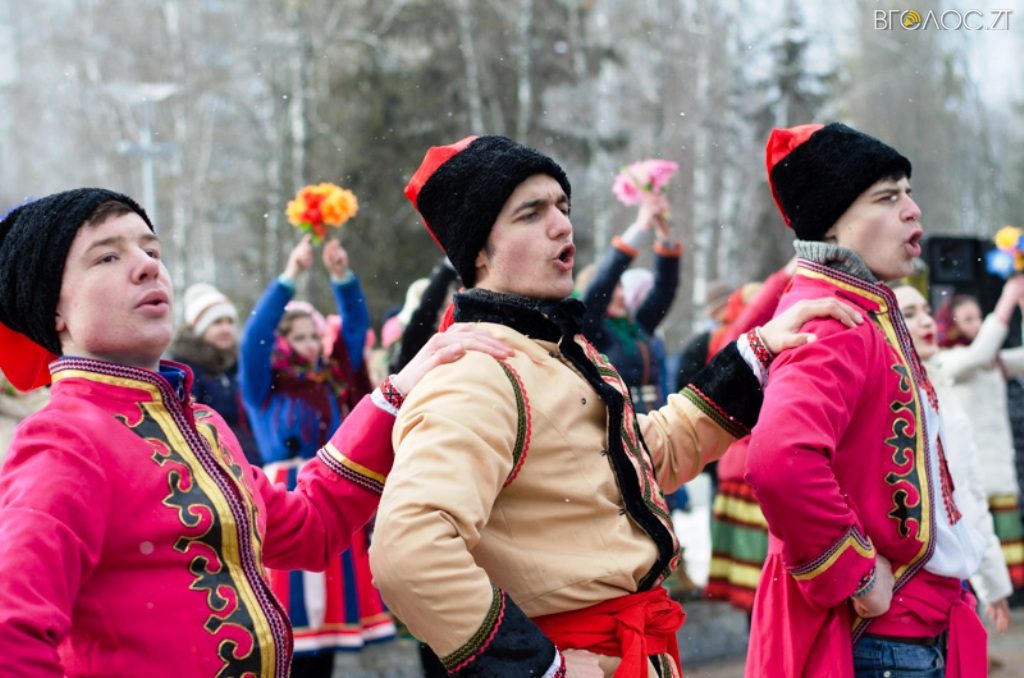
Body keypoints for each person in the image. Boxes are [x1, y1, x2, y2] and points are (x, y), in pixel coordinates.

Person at [368, 135, 862, 676]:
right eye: (531, 213)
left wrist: (755, 354)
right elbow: (408, 552)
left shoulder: (553, 353)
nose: (562, 225)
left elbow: (640, 460)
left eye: (562, 207)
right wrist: (541, 668)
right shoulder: (476, 373)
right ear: (478, 253)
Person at [0, 188, 511, 676]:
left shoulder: (201, 427)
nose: (148, 265)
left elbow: (312, 526)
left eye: (152, 250)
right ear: (53, 308)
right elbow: (10, 631)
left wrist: (396, 394)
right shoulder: (63, 443)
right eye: (107, 257)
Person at [745, 123, 988, 677]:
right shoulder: (834, 320)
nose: (913, 210)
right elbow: (780, 459)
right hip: (884, 645)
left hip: (903, 634)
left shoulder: (860, 308)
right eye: (887, 197)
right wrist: (852, 570)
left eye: (908, 192)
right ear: (833, 222)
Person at [239, 234, 390, 674]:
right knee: (288, 635)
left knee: (326, 643)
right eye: (299, 336)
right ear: (282, 342)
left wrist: (342, 278)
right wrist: (291, 276)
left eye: (314, 335)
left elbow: (355, 331)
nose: (309, 344)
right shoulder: (264, 385)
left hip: (327, 494)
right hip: (283, 500)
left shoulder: (331, 378)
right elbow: (253, 339)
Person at [892, 283, 1013, 632]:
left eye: (927, 312)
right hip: (906, 579)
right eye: (909, 314)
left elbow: (963, 492)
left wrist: (992, 584)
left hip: (939, 569)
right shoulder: (944, 369)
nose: (926, 321)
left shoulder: (937, 379)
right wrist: (1008, 298)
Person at [931, 281, 1024, 589]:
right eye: (968, 319)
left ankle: (1000, 597)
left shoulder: (991, 362)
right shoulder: (947, 360)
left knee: (1002, 553)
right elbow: (981, 352)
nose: (977, 324)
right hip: (969, 473)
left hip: (1000, 468)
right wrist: (1007, 300)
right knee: (975, 546)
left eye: (979, 317)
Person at [577, 194, 680, 414]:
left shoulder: (637, 327)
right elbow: (603, 282)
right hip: (619, 424)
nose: (621, 295)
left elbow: (665, 289)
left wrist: (665, 235)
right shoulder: (590, 332)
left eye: (622, 287)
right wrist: (640, 227)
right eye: (613, 290)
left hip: (653, 420)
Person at [169, 282, 262, 465]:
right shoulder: (186, 371)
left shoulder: (238, 365)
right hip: (213, 462)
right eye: (217, 322)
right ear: (200, 328)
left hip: (249, 459)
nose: (226, 328)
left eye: (230, 322)